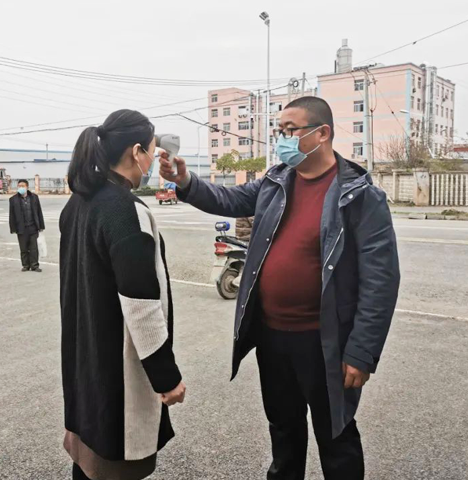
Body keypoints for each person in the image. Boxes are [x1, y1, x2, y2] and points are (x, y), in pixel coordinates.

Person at [161, 96, 400, 479]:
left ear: (322, 134)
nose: (282, 139)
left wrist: (362, 350)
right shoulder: (276, 181)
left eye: (291, 130)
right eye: (279, 131)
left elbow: (381, 280)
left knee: (336, 437)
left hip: (324, 342)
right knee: (283, 430)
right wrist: (185, 182)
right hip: (273, 337)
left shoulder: (359, 196)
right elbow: (228, 198)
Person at [59, 109, 186, 480]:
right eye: (151, 150)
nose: (153, 159)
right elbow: (141, 305)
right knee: (115, 458)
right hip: (116, 367)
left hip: (85, 356)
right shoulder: (125, 211)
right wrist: (166, 377)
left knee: (88, 458)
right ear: (136, 152)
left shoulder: (79, 202)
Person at [9, 179, 45, 272]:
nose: (21, 187)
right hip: (21, 228)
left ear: (27, 187)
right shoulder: (13, 199)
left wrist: (41, 226)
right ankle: (25, 265)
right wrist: (13, 228)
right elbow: (12, 215)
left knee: (34, 248)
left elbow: (39, 212)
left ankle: (34, 265)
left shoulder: (34, 197)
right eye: (19, 186)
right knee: (23, 248)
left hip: (33, 227)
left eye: (23, 186)